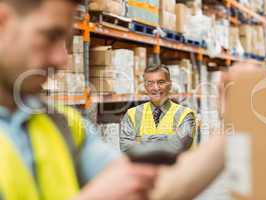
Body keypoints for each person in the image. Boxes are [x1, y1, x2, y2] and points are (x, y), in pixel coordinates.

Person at [0, 0, 158, 199]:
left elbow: (139, 184)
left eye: (65, 41)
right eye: (50, 36)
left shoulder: (58, 121)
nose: (62, 60)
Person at [120, 65, 196, 152]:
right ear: (145, 86)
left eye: (161, 82)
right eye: (150, 83)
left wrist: (143, 140)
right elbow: (125, 147)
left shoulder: (186, 115)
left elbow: (179, 145)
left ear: (170, 85)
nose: (156, 88)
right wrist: (166, 139)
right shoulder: (131, 114)